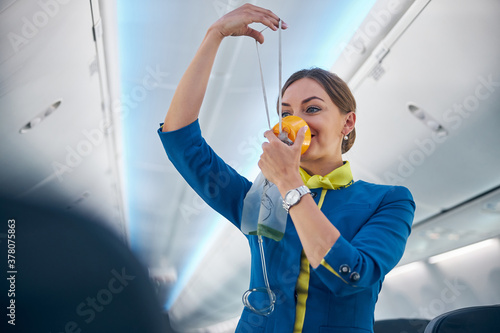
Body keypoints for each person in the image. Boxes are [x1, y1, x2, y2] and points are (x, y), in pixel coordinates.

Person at [158, 4, 415, 332]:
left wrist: (290, 183)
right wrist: (214, 36)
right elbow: (181, 141)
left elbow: (352, 276)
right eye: (286, 112)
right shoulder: (259, 198)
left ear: (347, 122)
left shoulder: (388, 201)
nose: (297, 122)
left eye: (312, 109)